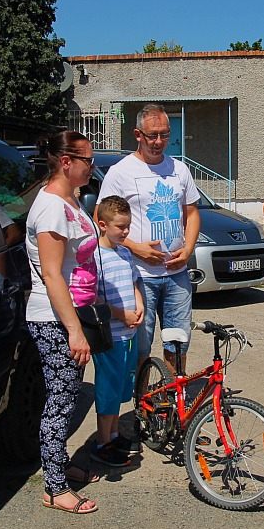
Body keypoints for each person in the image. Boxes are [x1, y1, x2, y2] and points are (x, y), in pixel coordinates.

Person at [26, 130, 104, 515]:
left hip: (70, 313)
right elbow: (53, 275)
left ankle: (59, 465)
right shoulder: (52, 208)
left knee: (68, 394)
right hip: (54, 317)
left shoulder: (68, 199)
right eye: (88, 160)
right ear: (66, 162)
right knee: (60, 401)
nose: (94, 166)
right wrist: (74, 330)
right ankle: (54, 488)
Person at [97, 104, 200, 374]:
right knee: (141, 347)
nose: (158, 142)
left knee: (178, 342)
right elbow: (102, 221)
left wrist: (188, 248)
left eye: (164, 135)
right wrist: (135, 248)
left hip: (177, 274)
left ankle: (174, 398)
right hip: (139, 274)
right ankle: (144, 404)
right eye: (152, 135)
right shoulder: (121, 172)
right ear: (138, 134)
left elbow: (192, 212)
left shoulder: (179, 169)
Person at [89, 196, 145, 467]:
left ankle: (112, 434)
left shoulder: (124, 252)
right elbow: (95, 301)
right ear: (102, 224)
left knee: (122, 387)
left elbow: (134, 282)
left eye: (128, 226)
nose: (125, 232)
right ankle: (102, 442)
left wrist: (140, 303)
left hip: (129, 334)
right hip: (109, 336)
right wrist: (122, 314)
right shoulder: (96, 258)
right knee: (108, 389)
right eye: (120, 227)